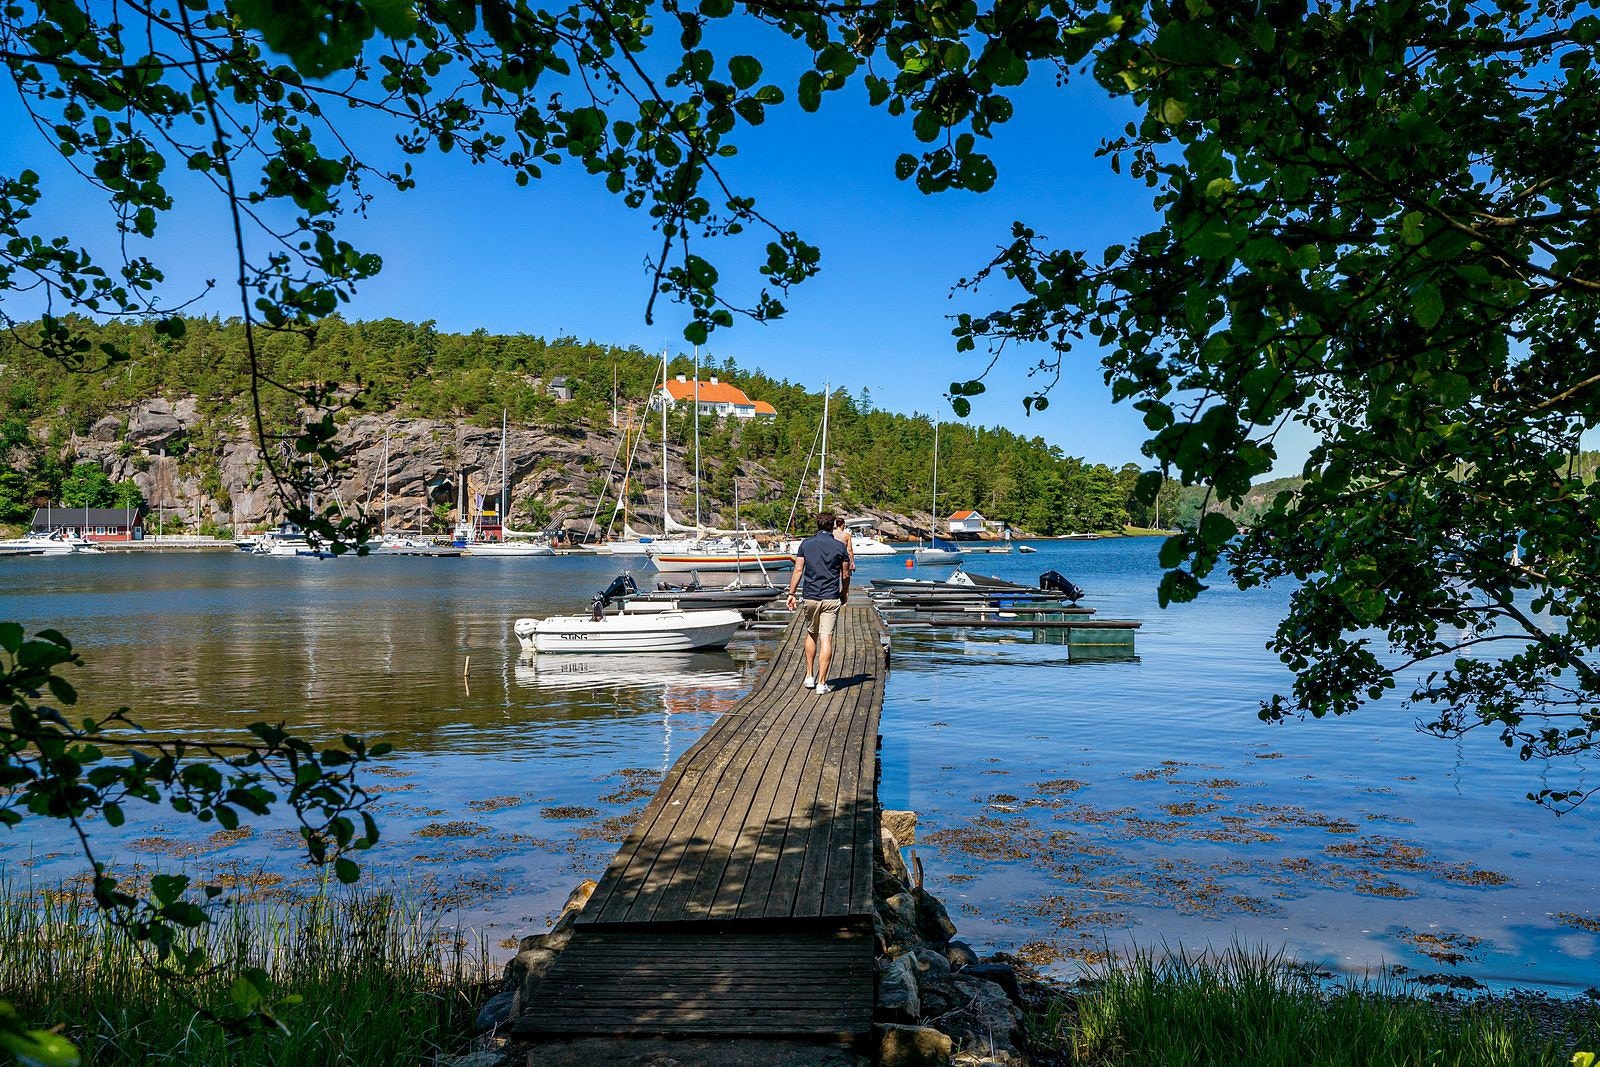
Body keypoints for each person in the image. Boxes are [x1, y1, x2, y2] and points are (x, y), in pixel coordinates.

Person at [786, 510, 850, 694]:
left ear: (818, 525)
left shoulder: (806, 544)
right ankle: (822, 684)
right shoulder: (839, 547)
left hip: (810, 597)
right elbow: (845, 574)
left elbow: (798, 571)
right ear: (832, 526)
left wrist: (791, 593)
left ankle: (809, 676)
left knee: (811, 634)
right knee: (826, 638)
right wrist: (844, 592)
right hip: (830, 597)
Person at [832, 516, 856, 603]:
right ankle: (844, 594)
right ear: (843, 525)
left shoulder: (832, 533)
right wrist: (852, 562)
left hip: (833, 557)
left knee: (834, 575)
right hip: (843, 557)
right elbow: (849, 549)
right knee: (845, 576)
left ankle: (833, 593)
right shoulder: (846, 535)